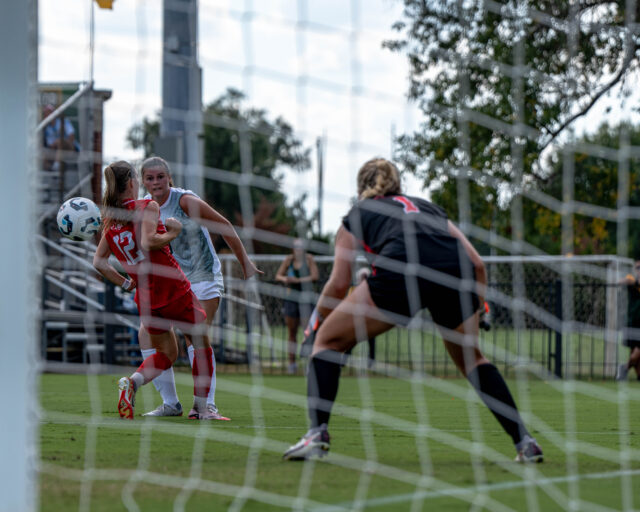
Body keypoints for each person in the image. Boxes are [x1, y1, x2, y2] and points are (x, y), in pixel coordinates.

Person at [283, 158, 543, 463]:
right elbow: (477, 264)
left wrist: (317, 320)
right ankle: (525, 442)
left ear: (362, 187)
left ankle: (316, 435)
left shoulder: (358, 213)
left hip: (402, 270)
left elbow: (339, 282)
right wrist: (481, 308)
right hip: (453, 271)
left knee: (326, 342)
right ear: (397, 183)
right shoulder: (428, 208)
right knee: (473, 359)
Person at [138, 156, 262, 419]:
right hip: (175, 281)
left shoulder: (184, 200)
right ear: (144, 182)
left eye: (160, 176)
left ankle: (206, 406)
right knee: (146, 334)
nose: (156, 182)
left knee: (196, 334)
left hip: (204, 276)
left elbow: (224, 225)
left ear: (169, 178)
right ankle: (171, 404)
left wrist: (245, 263)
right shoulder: (145, 209)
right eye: (150, 178)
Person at [92, 160, 216, 420]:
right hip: (172, 286)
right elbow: (149, 242)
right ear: (131, 183)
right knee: (200, 340)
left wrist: (126, 283)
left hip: (146, 298)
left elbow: (99, 262)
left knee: (167, 353)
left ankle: (133, 382)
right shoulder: (146, 206)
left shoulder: (111, 221)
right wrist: (173, 232)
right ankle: (202, 408)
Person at [275, 238, 319, 374]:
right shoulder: (289, 260)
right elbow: (278, 276)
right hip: (291, 299)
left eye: (301, 247)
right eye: (296, 247)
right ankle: (292, 365)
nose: (298, 249)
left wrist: (298, 280)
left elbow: (315, 276)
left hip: (306, 299)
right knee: (291, 333)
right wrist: (286, 279)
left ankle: (308, 363)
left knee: (308, 332)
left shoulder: (309, 259)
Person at [616, 260, 640, 381]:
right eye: (638, 268)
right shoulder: (631, 280)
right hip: (634, 320)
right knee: (634, 351)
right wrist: (635, 282)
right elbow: (620, 281)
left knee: (637, 351)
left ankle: (624, 369)